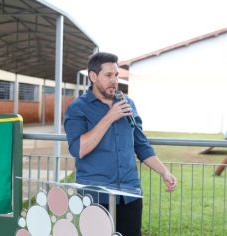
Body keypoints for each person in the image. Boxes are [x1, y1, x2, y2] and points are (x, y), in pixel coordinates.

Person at [64, 52, 177, 236]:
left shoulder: (128, 103)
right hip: (95, 196)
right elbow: (78, 149)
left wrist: (164, 172)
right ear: (93, 77)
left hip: (129, 194)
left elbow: (141, 145)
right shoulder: (78, 108)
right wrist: (109, 117)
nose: (114, 80)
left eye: (116, 75)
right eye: (108, 75)